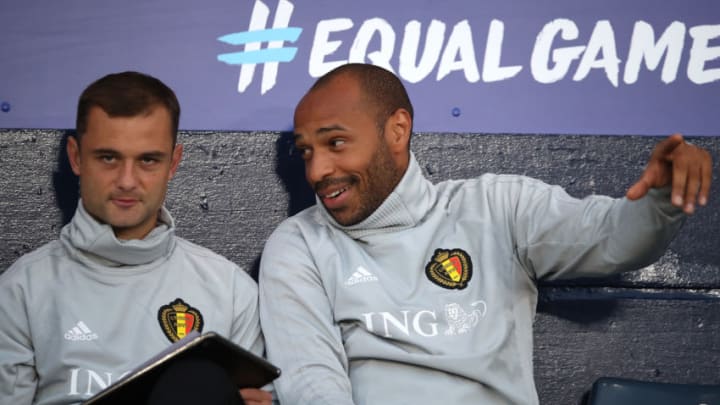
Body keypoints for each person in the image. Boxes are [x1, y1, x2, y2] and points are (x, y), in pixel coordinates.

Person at [258, 63, 713, 404]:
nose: (317, 170)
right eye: (305, 151)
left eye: (336, 143)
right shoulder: (299, 244)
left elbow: (615, 241)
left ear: (396, 130)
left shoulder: (496, 207)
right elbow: (314, 388)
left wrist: (664, 196)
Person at [0, 72, 272, 405]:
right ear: (75, 157)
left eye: (147, 160)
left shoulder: (230, 291)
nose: (127, 181)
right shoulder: (19, 292)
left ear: (173, 163)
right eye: (108, 158)